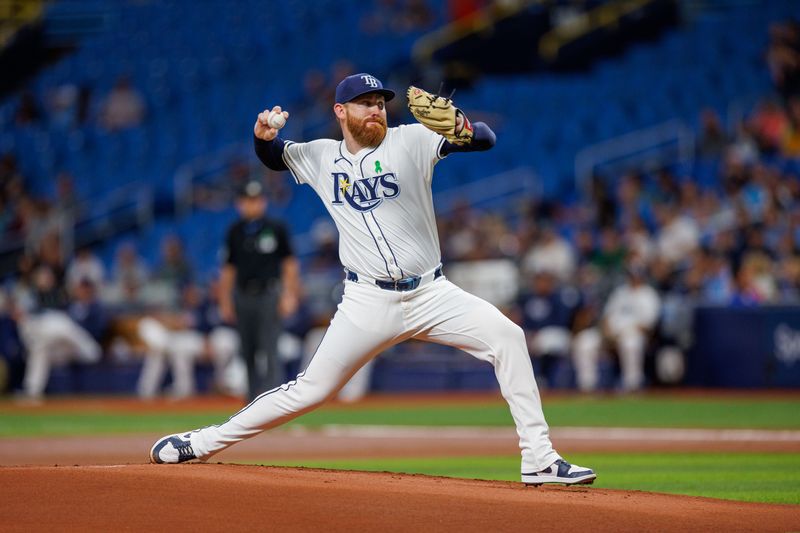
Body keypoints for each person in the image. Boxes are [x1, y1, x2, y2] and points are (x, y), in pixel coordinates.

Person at [149, 73, 595, 486]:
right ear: (340, 112)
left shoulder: (413, 140)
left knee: (508, 336)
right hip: (367, 301)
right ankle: (202, 442)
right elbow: (273, 156)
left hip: (431, 292)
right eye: (364, 104)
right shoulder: (321, 156)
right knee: (310, 391)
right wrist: (261, 137)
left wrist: (460, 125)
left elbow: (484, 139)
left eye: (380, 102)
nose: (376, 110)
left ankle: (538, 458)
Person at [218, 180, 300, 401]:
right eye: (247, 200)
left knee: (271, 348)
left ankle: (274, 402)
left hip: (269, 294)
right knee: (247, 351)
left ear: (263, 202)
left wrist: (290, 294)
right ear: (239, 203)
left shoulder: (276, 228)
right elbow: (228, 268)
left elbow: (289, 264)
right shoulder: (235, 231)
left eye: (256, 200)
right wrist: (225, 300)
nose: (252, 205)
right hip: (243, 295)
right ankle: (252, 401)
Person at [572, 261, 661, 392]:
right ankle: (587, 386)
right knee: (584, 341)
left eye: (636, 274)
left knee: (630, 343)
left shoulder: (648, 294)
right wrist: (608, 332)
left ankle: (632, 386)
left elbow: (648, 325)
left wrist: (623, 332)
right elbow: (606, 316)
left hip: (632, 334)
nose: (633, 277)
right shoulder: (620, 292)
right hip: (610, 334)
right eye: (631, 274)